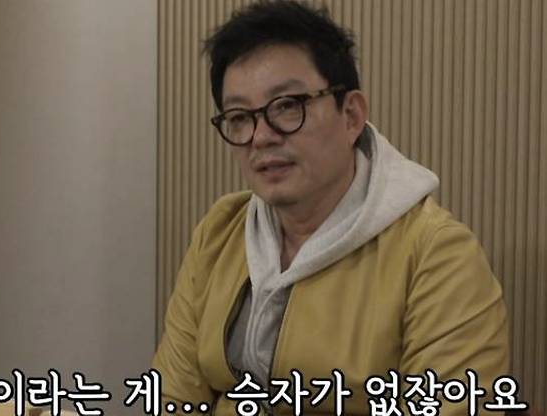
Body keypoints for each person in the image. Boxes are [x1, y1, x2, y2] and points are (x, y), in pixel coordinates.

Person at [152, 1, 509, 415]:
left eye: (287, 105)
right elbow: (173, 397)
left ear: (351, 115)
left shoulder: (436, 255)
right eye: (239, 117)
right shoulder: (220, 231)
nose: (261, 136)